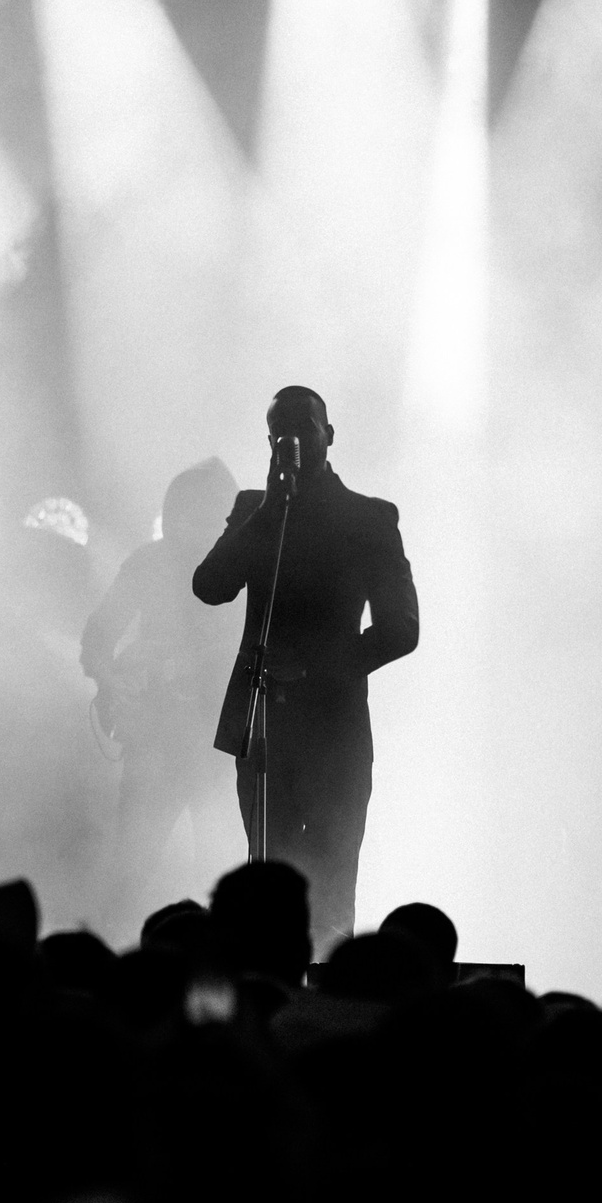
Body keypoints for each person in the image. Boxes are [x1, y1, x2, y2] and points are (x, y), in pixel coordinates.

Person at [192, 387, 417, 943]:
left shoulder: (368, 518)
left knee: (332, 878)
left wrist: (323, 671)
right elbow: (210, 586)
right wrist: (269, 511)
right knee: (268, 876)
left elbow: (401, 629)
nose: (289, 441)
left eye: (304, 429)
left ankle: (326, 994)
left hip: (333, 729)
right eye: (278, 433)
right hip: (262, 724)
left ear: (329, 435)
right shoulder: (256, 511)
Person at [79, 459, 241, 903]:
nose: (188, 525)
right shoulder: (149, 563)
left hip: (220, 744)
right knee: (131, 870)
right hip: (156, 741)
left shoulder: (246, 571)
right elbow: (97, 638)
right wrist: (114, 681)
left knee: (221, 871)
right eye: (183, 513)